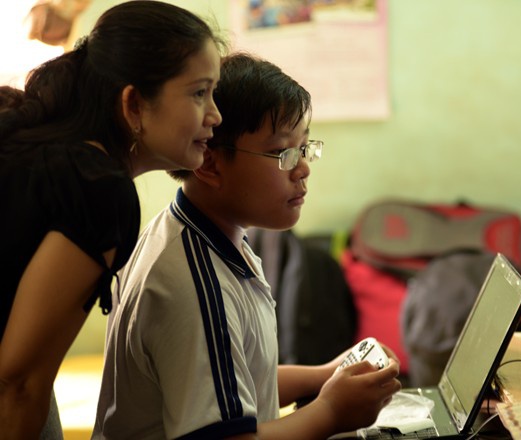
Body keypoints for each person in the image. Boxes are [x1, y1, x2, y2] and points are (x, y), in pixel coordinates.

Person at [93, 52, 401, 439]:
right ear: (209, 164)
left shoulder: (203, 237)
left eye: (304, 147)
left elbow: (237, 377)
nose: (303, 168)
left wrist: (327, 375)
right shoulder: (193, 284)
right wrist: (331, 410)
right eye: (282, 153)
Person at [0, 1, 226, 438]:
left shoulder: (50, 147)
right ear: (133, 103)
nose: (215, 115)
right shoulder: (96, 189)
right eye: (199, 93)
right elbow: (18, 383)